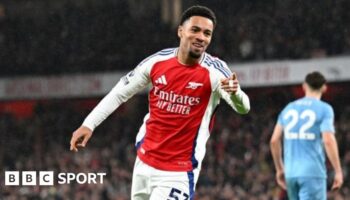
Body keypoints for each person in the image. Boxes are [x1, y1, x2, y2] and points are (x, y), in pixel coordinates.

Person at [70, 5, 250, 200]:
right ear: (180, 31)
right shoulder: (157, 62)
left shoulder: (215, 71)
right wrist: (89, 124)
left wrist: (235, 94)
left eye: (207, 33)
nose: (201, 37)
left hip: (178, 173)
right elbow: (120, 93)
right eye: (195, 30)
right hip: (144, 163)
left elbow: (243, 107)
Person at [270, 71, 343, 200]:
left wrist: (280, 169)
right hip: (312, 172)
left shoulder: (288, 108)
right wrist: (338, 170)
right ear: (324, 88)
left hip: (291, 173)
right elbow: (328, 140)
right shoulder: (325, 109)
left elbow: (274, 140)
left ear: (304, 86)